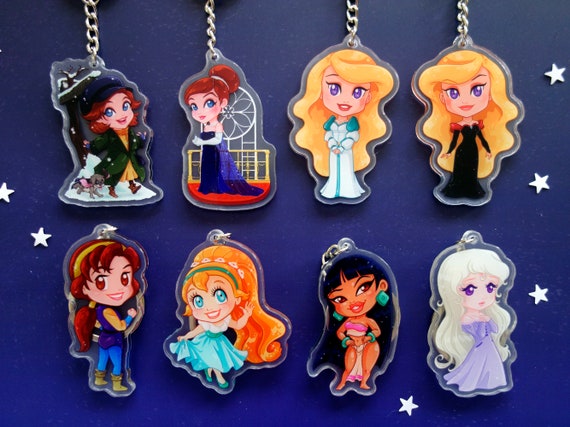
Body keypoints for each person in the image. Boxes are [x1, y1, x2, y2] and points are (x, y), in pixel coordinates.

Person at [169, 245, 287, 389]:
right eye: (198, 301)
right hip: (205, 342)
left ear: (237, 298)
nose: (209, 307)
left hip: (220, 343)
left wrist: (246, 314)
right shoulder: (206, 323)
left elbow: (238, 325)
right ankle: (218, 377)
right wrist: (185, 337)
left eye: (220, 295)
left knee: (216, 361)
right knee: (213, 361)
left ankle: (210, 371)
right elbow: (196, 331)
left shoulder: (225, 320)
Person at [415, 49, 522, 200]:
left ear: (491, 92)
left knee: (472, 169)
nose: (465, 101)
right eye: (453, 92)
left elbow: (482, 139)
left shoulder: (478, 124)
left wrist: (488, 151)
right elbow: (454, 141)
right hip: (461, 151)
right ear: (442, 97)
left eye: (477, 89)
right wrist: (449, 152)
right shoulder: (457, 125)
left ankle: (472, 188)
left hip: (473, 151)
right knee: (459, 169)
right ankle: (456, 188)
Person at [291, 49, 395, 199]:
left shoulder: (352, 123)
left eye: (358, 92)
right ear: (320, 90)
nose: (345, 99)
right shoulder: (330, 123)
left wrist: (342, 146)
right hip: (333, 151)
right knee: (335, 170)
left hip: (346, 151)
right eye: (334, 88)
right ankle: (333, 189)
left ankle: (348, 190)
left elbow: (353, 136)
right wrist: (333, 145)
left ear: (368, 98)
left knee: (346, 169)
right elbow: (328, 135)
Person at [309, 254, 395, 393]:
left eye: (363, 288)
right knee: (349, 367)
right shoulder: (347, 321)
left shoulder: (368, 320)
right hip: (352, 345)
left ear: (382, 286)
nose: (353, 302)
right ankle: (342, 383)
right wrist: (347, 341)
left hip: (368, 345)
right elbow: (340, 332)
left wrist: (368, 337)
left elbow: (377, 331)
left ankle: (364, 382)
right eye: (340, 299)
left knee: (366, 367)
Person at [432, 248, 513, 393]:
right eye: (470, 289)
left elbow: (494, 329)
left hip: (489, 348)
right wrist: (482, 322)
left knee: (490, 367)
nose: (482, 296)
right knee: (477, 369)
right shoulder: (466, 318)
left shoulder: (485, 316)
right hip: (480, 349)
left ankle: (490, 383)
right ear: (453, 293)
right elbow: (476, 334)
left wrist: (487, 320)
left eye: (490, 287)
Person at [68, 240, 143, 392]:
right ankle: (116, 383)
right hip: (114, 339)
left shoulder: (98, 309)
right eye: (101, 281)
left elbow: (98, 324)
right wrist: (130, 316)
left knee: (102, 360)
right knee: (117, 362)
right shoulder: (108, 311)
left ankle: (99, 379)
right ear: (84, 287)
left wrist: (104, 328)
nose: (117, 288)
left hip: (103, 338)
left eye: (124, 278)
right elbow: (121, 326)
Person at [183, 65, 263, 196]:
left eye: (209, 103)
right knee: (206, 168)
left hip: (216, 153)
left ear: (223, 103)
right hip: (207, 153)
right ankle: (207, 187)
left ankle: (217, 187)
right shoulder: (206, 126)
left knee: (215, 169)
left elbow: (217, 140)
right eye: (194, 106)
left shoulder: (218, 125)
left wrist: (202, 142)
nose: (200, 111)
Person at [80, 76, 147, 198]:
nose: (122, 114)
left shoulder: (130, 132)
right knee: (115, 176)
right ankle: (111, 189)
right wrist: (91, 145)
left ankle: (132, 186)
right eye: (109, 112)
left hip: (129, 159)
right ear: (99, 118)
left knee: (131, 173)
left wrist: (141, 140)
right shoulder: (110, 135)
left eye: (125, 106)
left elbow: (135, 143)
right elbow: (101, 142)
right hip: (115, 161)